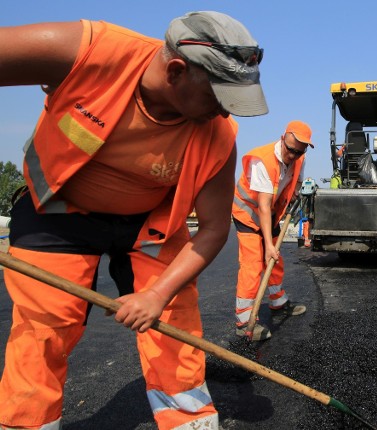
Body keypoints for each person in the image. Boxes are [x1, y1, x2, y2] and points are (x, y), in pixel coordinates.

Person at [0, 11, 267, 430]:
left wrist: (157, 294)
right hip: (56, 211)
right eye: (219, 97)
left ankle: (189, 422)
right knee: (43, 329)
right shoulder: (89, 52)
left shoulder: (218, 135)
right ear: (177, 71)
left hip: (150, 223)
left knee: (174, 320)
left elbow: (214, 228)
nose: (223, 112)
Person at [232, 121, 313, 341]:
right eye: (290, 149)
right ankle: (244, 321)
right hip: (249, 213)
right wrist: (268, 244)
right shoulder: (263, 160)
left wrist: (295, 191)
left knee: (275, 261)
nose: (293, 155)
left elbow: (295, 182)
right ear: (282, 138)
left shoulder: (299, 158)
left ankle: (278, 302)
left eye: (299, 152)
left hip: (272, 213)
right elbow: (263, 206)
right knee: (253, 264)